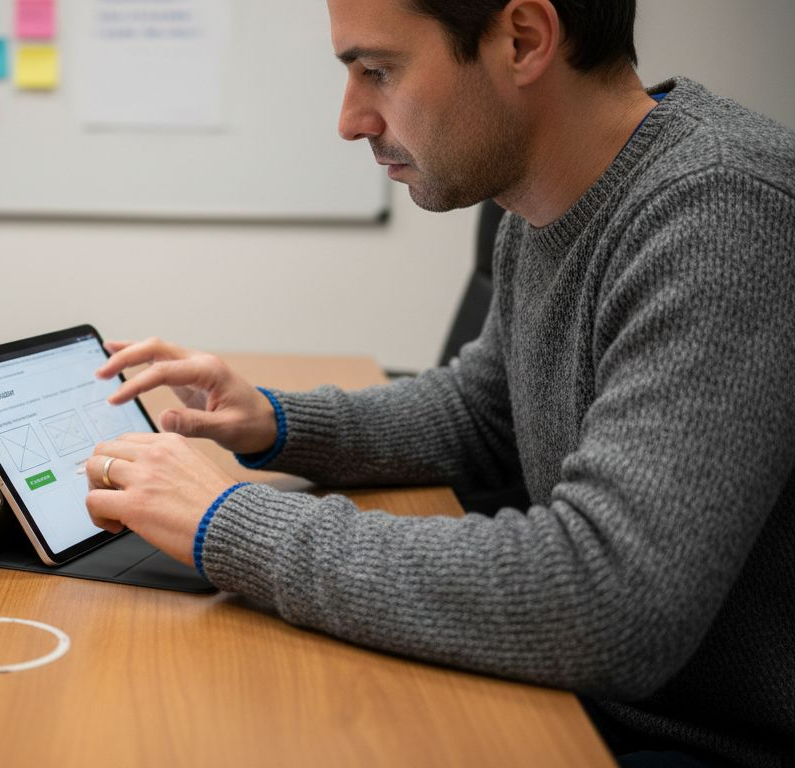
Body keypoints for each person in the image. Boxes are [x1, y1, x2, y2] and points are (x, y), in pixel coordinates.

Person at [81, 0, 795, 766]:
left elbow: (607, 601)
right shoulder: (550, 194)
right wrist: (276, 421)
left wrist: (228, 523)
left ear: (522, 39)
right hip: (591, 704)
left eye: (378, 71)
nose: (352, 120)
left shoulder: (724, 208)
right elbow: (486, 414)